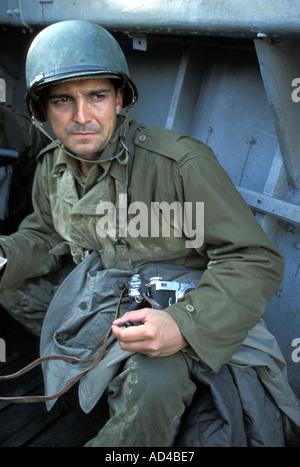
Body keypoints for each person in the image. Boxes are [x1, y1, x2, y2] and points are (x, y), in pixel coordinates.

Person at [0, 20, 298, 447]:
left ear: (119, 99)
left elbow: (254, 258)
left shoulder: (178, 163)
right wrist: (6, 255)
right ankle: (86, 383)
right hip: (103, 298)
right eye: (63, 100)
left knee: (154, 384)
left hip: (182, 309)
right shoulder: (53, 165)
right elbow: (47, 235)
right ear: (43, 110)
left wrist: (182, 325)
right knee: (10, 283)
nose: (81, 117)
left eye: (97, 96)